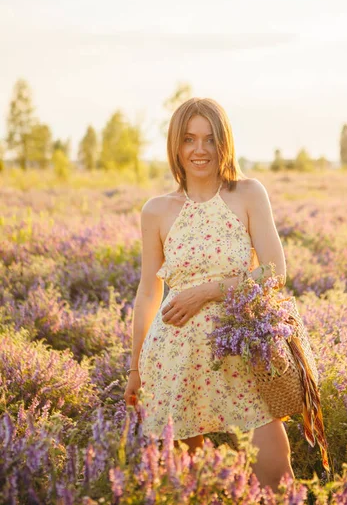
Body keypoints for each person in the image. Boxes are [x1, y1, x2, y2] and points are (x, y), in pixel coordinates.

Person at [124, 97, 294, 491]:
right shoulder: (157, 210)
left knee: (276, 475)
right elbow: (148, 293)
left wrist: (206, 291)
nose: (199, 150)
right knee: (188, 484)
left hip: (241, 351)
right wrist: (134, 369)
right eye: (188, 139)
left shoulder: (248, 194)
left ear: (224, 143)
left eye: (209, 139)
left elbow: (275, 272)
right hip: (174, 358)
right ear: (175, 146)